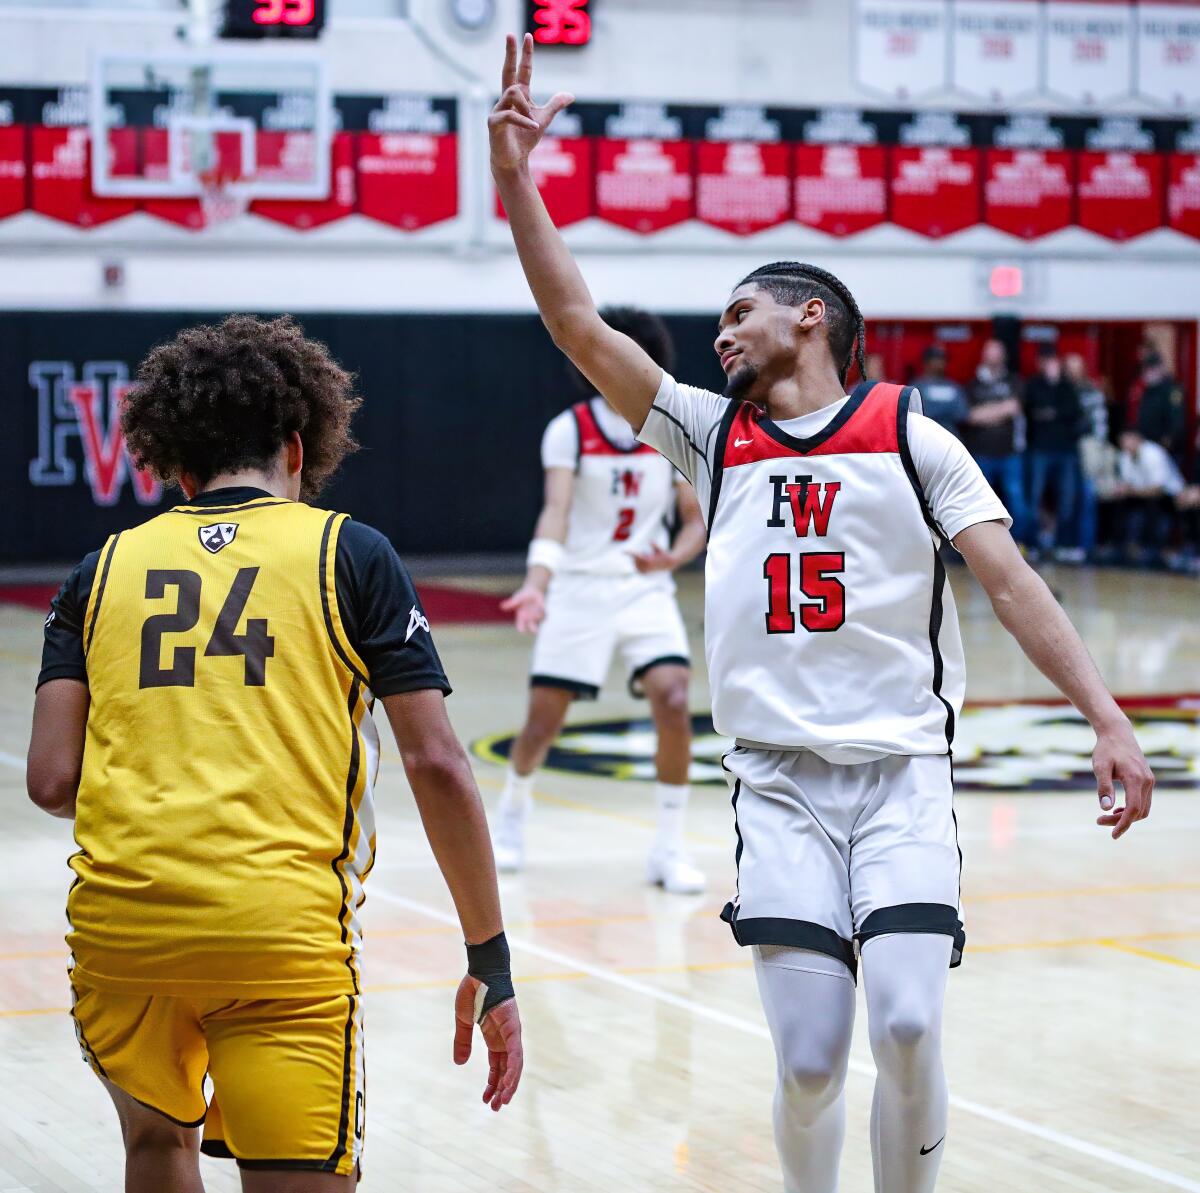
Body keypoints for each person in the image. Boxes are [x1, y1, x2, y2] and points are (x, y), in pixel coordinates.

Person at [489, 33, 1154, 1193]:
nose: (720, 333)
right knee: (804, 1063)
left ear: (810, 317)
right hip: (781, 780)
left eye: (741, 312)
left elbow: (1011, 581)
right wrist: (512, 178)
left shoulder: (910, 431)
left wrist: (1104, 712)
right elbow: (577, 326)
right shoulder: (712, 430)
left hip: (901, 771)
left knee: (904, 1025)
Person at [26, 315, 523, 1192]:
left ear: (177, 468)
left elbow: (52, 779)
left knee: (153, 1149)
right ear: (299, 450)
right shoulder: (351, 553)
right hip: (276, 935)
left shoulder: (97, 571)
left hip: (122, 932)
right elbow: (439, 763)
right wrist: (490, 955)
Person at [495, 306, 708, 892]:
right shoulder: (570, 429)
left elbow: (695, 522)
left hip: (645, 589)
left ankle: (667, 848)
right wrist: (537, 585)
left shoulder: (671, 430)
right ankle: (512, 812)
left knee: (675, 696)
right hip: (580, 590)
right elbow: (555, 513)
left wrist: (674, 556)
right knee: (542, 723)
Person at [961, 338, 1030, 545]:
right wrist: (1001, 410)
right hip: (981, 453)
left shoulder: (1013, 381)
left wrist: (986, 413)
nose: (993, 356)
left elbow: (1014, 408)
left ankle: (1021, 544)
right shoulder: (973, 384)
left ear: (1003, 356)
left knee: (1016, 501)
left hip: (1010, 453)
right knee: (979, 504)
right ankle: (981, 546)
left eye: (996, 352)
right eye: (989, 352)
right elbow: (970, 416)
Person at [1024, 344, 1085, 559]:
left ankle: (1062, 545)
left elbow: (1074, 412)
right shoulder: (1032, 385)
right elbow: (1032, 412)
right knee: (1034, 498)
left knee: (1067, 499)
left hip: (1065, 451)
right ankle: (1034, 544)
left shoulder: (1066, 386)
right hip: (1040, 449)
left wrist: (1051, 410)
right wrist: (1053, 413)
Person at [1114, 429, 1186, 568]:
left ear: (1138, 439)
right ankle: (1127, 547)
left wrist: (1131, 491)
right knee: (1123, 504)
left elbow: (1157, 489)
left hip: (1168, 496)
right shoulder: (1125, 456)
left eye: (1127, 440)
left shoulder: (1154, 453)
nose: (1124, 445)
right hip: (1141, 495)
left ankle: (1157, 550)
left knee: (1153, 506)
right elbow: (1126, 483)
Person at [1064, 353, 1110, 560]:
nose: (1074, 373)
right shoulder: (1062, 390)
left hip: (1088, 449)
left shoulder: (1092, 390)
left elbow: (1100, 423)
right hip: (1066, 451)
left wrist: (1099, 449)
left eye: (1077, 368)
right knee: (1069, 498)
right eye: (1070, 368)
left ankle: (1086, 546)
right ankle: (1069, 545)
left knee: (1087, 497)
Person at [1133, 349, 1187, 467]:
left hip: (1166, 449)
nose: (1147, 374)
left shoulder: (1172, 390)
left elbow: (1177, 420)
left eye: (1151, 369)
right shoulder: (1146, 391)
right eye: (1145, 370)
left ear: (1159, 368)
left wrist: (1167, 442)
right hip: (1146, 446)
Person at [910, 344, 967, 437]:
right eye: (936, 359)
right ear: (926, 361)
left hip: (951, 435)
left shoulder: (954, 386)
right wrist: (946, 410)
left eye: (943, 359)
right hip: (924, 435)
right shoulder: (917, 386)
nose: (940, 362)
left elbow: (962, 414)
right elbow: (916, 414)